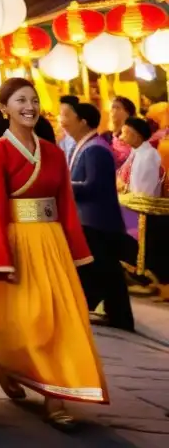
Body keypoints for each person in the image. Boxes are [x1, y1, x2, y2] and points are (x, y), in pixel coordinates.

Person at [0, 78, 108, 431]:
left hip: (52, 244)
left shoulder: (52, 152)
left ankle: (57, 396)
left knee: (66, 316)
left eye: (34, 100)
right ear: (4, 108)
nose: (30, 107)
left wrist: (78, 251)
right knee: (26, 319)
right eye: (21, 100)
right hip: (17, 243)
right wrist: (0, 257)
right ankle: (3, 361)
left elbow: (65, 204)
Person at [60, 99, 134, 332]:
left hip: (98, 221)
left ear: (82, 122)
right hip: (91, 220)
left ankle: (114, 315)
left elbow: (95, 186)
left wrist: (64, 185)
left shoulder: (96, 149)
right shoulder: (85, 145)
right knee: (107, 271)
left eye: (66, 116)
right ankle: (117, 315)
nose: (63, 121)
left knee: (104, 269)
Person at [118, 116, 169, 287]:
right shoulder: (137, 152)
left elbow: (142, 194)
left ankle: (136, 269)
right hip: (131, 201)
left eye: (126, 134)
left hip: (143, 208)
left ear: (137, 136)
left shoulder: (148, 156)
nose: (121, 137)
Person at [104, 96, 136, 169]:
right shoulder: (106, 136)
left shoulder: (134, 136)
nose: (113, 111)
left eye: (117, 108)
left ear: (128, 113)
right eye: (112, 107)